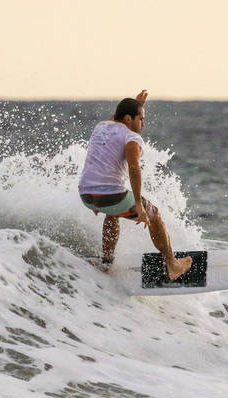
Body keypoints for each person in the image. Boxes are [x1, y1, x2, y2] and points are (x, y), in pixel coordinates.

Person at [78, 90, 193, 280]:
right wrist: (139, 203)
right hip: (110, 196)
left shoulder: (101, 126)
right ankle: (173, 264)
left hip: (87, 196)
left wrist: (135, 103)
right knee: (153, 214)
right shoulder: (132, 138)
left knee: (113, 213)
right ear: (129, 118)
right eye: (141, 118)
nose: (143, 123)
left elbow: (115, 119)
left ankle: (106, 263)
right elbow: (133, 168)